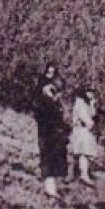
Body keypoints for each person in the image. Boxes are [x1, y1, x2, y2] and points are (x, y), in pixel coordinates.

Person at [32, 64, 67, 199]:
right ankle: (49, 187)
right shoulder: (41, 101)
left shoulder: (57, 104)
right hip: (47, 130)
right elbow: (39, 113)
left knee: (55, 157)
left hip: (55, 132)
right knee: (47, 156)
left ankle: (52, 186)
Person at [67, 87, 100, 185]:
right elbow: (85, 117)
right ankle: (81, 174)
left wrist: (93, 105)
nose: (91, 94)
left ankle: (82, 173)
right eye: (89, 92)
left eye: (92, 92)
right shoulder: (80, 102)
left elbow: (92, 114)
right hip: (81, 130)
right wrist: (90, 124)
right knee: (82, 152)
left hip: (84, 131)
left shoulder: (87, 103)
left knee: (83, 153)